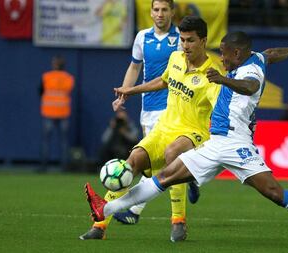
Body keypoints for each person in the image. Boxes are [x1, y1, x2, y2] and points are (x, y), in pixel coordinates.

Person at [84, 31, 288, 250]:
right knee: (164, 177)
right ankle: (104, 207)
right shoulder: (258, 58)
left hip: (238, 146)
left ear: (237, 54)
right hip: (215, 143)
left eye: (224, 55)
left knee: (275, 193)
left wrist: (223, 79)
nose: (221, 59)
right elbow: (272, 54)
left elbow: (250, 87)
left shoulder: (250, 73)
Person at [80, 14, 213, 242]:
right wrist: (131, 90)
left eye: (190, 40)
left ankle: (178, 221)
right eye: (182, 40)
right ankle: (99, 226)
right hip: (164, 128)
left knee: (174, 154)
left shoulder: (212, 75)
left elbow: (221, 109)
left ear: (203, 41)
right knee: (131, 163)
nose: (185, 45)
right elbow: (164, 81)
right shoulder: (176, 58)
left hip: (193, 133)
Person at [39, 55, 75, 172]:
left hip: (49, 112)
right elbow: (69, 91)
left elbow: (40, 91)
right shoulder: (69, 78)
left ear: (54, 64)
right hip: (63, 112)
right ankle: (64, 167)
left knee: (46, 141)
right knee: (64, 141)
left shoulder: (46, 77)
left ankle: (44, 167)